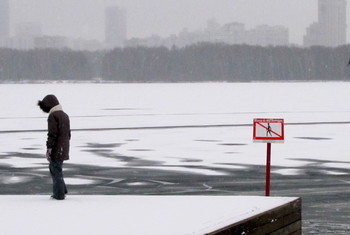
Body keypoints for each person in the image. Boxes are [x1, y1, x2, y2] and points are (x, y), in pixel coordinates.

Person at [38, 94, 70, 200]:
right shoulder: (64, 115)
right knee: (57, 169)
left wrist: (49, 148)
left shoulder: (53, 116)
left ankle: (59, 194)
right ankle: (62, 190)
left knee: (55, 170)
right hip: (64, 147)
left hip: (57, 148)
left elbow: (52, 134)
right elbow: (68, 133)